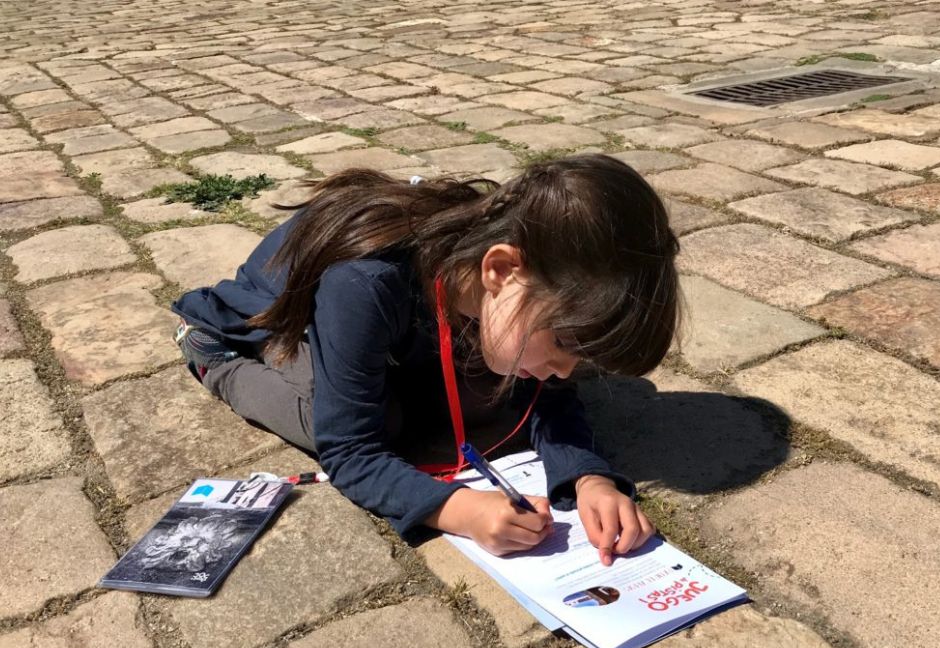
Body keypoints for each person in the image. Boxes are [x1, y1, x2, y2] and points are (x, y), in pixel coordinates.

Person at [172, 153, 681, 566]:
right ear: (500, 270)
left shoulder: (519, 281)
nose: (568, 370)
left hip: (402, 331)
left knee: (499, 389)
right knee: (385, 423)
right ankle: (214, 361)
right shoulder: (365, 282)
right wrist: (460, 509)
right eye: (566, 343)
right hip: (278, 320)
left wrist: (588, 477)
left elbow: (551, 398)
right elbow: (350, 451)